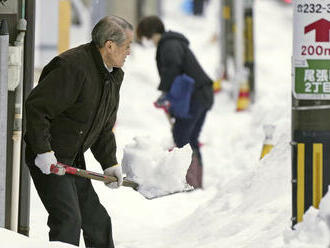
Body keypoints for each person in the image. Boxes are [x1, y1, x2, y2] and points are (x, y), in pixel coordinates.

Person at [24, 16, 133, 247]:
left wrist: (109, 162)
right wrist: (43, 150)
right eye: (126, 46)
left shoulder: (112, 75)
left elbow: (103, 126)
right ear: (109, 45)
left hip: (72, 157)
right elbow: (37, 108)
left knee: (97, 221)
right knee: (68, 220)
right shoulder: (72, 67)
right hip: (49, 156)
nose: (129, 52)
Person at [136, 16, 214, 189]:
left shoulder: (168, 44)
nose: (149, 42)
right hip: (200, 94)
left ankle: (190, 182)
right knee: (189, 138)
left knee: (182, 137)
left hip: (196, 96)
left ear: (150, 33)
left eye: (147, 38)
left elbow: (172, 67)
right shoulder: (171, 43)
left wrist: (165, 93)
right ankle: (195, 183)